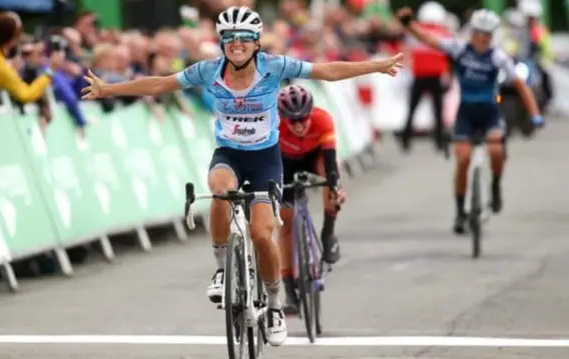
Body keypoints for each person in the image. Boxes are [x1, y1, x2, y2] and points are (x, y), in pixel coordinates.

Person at [81, 5, 402, 346]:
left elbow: (326, 71)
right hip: (229, 155)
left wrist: (376, 66)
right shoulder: (208, 71)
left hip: (266, 160)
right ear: (221, 43)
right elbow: (161, 83)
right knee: (219, 192)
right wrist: (109, 90)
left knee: (263, 235)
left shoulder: (274, 66)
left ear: (255, 43)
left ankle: (276, 305)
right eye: (229, 38)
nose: (236, 44)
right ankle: (222, 269)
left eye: (244, 38)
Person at [395, 7, 543, 234]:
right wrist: (408, 24)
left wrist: (535, 114)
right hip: (466, 112)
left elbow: (521, 86)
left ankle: (494, 184)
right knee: (462, 160)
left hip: (489, 112)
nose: (481, 38)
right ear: (472, 32)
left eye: (486, 34)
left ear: (492, 36)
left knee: (495, 150)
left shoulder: (498, 57)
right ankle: (460, 212)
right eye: (477, 32)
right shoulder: (459, 49)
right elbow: (429, 39)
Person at [276, 84, 345, 315]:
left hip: (314, 157)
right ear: (283, 117)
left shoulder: (323, 120)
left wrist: (336, 186)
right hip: (284, 162)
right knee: (284, 222)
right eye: (292, 121)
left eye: (303, 118)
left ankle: (328, 232)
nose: (299, 125)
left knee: (332, 178)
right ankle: (289, 291)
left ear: (310, 112)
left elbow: (330, 160)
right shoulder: (273, 125)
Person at [400, 1, 450, 152]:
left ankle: (406, 139)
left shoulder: (415, 32)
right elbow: (447, 56)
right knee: (438, 111)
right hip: (435, 76)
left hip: (419, 75)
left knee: (412, 109)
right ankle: (440, 141)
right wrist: (447, 74)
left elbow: (408, 52)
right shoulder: (443, 32)